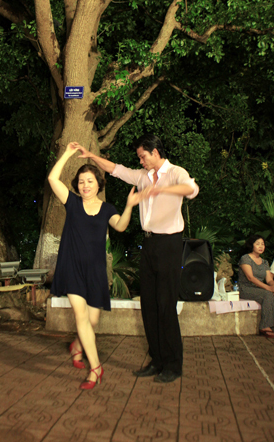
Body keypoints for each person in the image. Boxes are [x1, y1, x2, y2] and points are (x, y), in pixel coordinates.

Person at [73, 133, 199, 384]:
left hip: (170, 244)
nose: (140, 161)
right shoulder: (142, 177)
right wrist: (91, 157)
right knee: (149, 305)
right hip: (149, 244)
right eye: (139, 157)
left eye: (143, 156)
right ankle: (157, 360)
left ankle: (173, 364)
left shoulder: (175, 172)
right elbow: (115, 170)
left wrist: (160, 189)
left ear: (155, 152)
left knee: (165, 305)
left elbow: (191, 189)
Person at [49, 141, 151, 390]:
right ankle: (96, 368)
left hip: (95, 271)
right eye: (81, 181)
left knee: (91, 321)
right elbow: (53, 178)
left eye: (90, 181)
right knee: (81, 317)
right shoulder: (71, 203)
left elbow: (121, 226)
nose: (85, 185)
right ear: (77, 185)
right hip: (72, 267)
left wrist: (129, 206)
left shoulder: (107, 209)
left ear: (98, 184)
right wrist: (67, 154)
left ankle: (77, 345)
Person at [238, 234, 274, 338]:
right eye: (258, 244)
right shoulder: (245, 258)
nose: (261, 246)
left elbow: (269, 279)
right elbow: (251, 278)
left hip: (261, 288)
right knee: (268, 294)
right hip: (246, 288)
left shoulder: (264, 262)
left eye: (262, 244)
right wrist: (268, 288)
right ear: (252, 246)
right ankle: (265, 326)